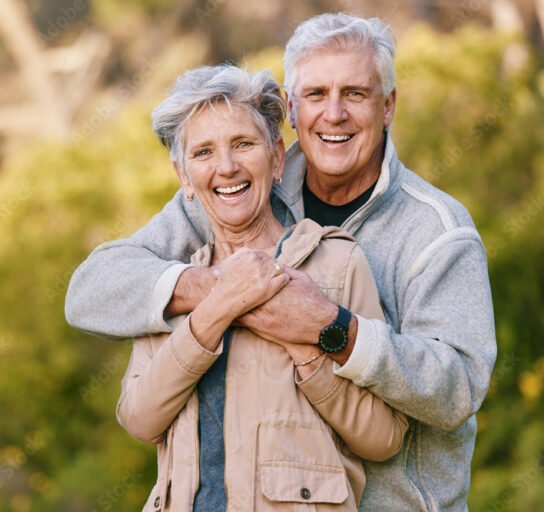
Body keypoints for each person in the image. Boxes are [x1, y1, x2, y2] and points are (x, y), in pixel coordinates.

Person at [66, 12, 497, 512]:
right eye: (315, 95)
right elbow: (90, 291)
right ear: (290, 109)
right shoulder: (237, 191)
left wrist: (332, 329)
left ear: (388, 106)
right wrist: (222, 291)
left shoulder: (438, 232)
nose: (333, 114)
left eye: (355, 94)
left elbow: (457, 391)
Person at [117, 63, 407, 511]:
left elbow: (383, 437)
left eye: (243, 144)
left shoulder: (336, 263)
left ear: (276, 157)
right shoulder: (173, 283)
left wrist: (305, 339)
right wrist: (215, 309)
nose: (226, 167)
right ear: (183, 178)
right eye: (203, 153)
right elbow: (139, 419)